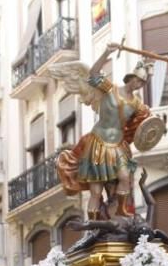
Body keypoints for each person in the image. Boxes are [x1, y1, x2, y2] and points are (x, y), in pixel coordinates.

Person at [54, 43, 152, 219]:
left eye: (142, 83)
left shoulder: (137, 104)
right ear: (130, 78)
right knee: (96, 191)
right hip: (99, 143)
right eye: (137, 81)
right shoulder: (110, 89)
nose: (138, 85)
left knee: (124, 177)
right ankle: (92, 226)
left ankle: (121, 209)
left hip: (119, 145)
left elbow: (146, 124)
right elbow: (92, 75)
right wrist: (106, 52)